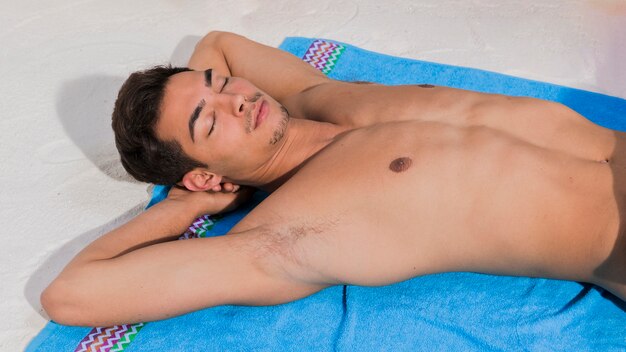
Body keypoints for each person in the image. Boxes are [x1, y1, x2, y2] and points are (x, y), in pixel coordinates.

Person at [41, 31, 626, 327]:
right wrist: (182, 208)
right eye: (208, 121)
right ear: (201, 175)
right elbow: (68, 296)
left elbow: (220, 42)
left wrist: (204, 103)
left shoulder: (313, 96)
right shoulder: (290, 233)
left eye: (220, 87)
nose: (237, 101)